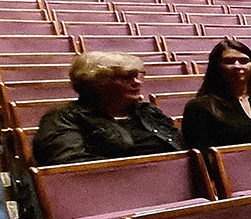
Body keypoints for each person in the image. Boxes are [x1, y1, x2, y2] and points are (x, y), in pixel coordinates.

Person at [32, 52, 182, 165]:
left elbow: (181, 148)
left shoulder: (148, 111)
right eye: (126, 77)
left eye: (136, 76)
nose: (137, 82)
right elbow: (70, 165)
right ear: (97, 83)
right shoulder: (63, 117)